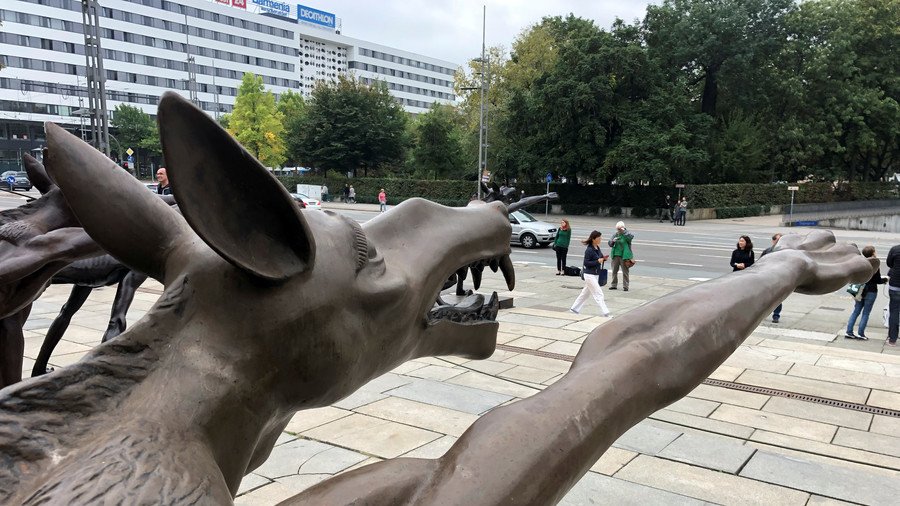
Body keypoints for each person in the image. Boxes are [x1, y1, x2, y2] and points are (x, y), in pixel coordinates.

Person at [845, 246, 887, 340]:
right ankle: (861, 334)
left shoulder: (859, 263)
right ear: (873, 253)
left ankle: (849, 332)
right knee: (866, 313)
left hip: (859, 291)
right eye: (875, 251)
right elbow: (877, 280)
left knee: (856, 311)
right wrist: (885, 280)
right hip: (871, 291)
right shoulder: (875, 264)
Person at [570, 230, 610, 317]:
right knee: (598, 293)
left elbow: (600, 257)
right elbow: (587, 263)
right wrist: (597, 261)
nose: (600, 239)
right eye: (599, 238)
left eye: (600, 237)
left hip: (595, 274)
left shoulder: (597, 248)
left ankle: (574, 309)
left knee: (585, 293)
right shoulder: (589, 250)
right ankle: (606, 312)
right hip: (589, 275)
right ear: (593, 239)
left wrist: (604, 259)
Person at [760, 233, 784, 322]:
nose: (779, 242)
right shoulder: (767, 251)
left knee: (778, 297)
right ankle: (763, 313)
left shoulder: (785, 253)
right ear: (773, 241)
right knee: (764, 297)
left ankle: (776, 315)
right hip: (766, 277)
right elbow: (759, 263)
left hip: (778, 278)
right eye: (777, 240)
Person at [608, 221, 634, 291]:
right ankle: (613, 285)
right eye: (617, 229)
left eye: (619, 229)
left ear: (623, 228)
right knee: (614, 271)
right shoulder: (615, 235)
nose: (618, 231)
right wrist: (613, 241)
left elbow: (631, 237)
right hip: (615, 255)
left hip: (624, 256)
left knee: (625, 272)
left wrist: (624, 231)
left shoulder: (627, 235)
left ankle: (626, 286)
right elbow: (610, 244)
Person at [887, 243, 900, 346]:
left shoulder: (895, 249)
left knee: (894, 312)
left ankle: (892, 339)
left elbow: (889, 263)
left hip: (895, 285)